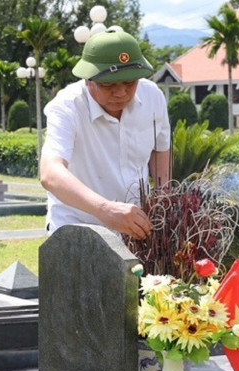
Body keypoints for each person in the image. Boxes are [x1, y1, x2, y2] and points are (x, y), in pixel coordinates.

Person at [39, 29, 171, 240]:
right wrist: (106, 210)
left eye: (129, 83)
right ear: (88, 80)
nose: (121, 93)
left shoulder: (153, 97)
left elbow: (161, 148)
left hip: (134, 228)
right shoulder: (66, 106)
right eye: (108, 84)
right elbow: (50, 173)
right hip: (76, 229)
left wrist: (165, 201)